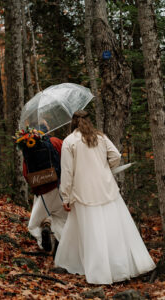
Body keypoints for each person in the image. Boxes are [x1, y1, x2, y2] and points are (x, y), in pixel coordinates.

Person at [55, 110, 156, 284]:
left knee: (91, 232)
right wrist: (104, 167)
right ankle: (124, 266)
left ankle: (97, 271)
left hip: (83, 191)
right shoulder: (100, 137)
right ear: (89, 121)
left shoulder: (69, 142)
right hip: (107, 188)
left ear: (73, 123)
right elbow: (116, 156)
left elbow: (67, 171)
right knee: (115, 229)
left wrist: (65, 196)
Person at [23, 123, 67, 252]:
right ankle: (61, 249)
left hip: (43, 192)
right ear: (48, 130)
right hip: (60, 187)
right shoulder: (56, 142)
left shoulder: (28, 147)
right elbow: (68, 161)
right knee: (62, 219)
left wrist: (37, 185)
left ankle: (43, 241)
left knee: (34, 224)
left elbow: (26, 174)